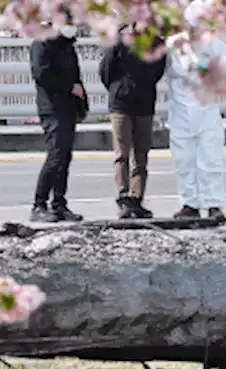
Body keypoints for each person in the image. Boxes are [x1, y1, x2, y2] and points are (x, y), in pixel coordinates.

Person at [165, 2, 226, 220]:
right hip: (180, 112)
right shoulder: (173, 47)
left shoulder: (218, 48)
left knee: (210, 161)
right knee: (184, 161)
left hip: (207, 111)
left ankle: (214, 204)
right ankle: (189, 203)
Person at [99, 25, 167, 219]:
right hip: (121, 104)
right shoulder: (118, 44)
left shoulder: (156, 44)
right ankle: (123, 198)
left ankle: (137, 198)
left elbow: (157, 72)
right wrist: (118, 89)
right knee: (121, 153)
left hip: (145, 104)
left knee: (141, 154)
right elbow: (105, 71)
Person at [29, 14, 87, 223]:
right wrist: (69, 87)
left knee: (64, 158)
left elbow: (76, 78)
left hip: (68, 108)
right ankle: (39, 204)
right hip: (52, 108)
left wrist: (82, 104)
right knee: (55, 157)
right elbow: (41, 73)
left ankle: (59, 204)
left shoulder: (67, 45)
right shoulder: (42, 43)